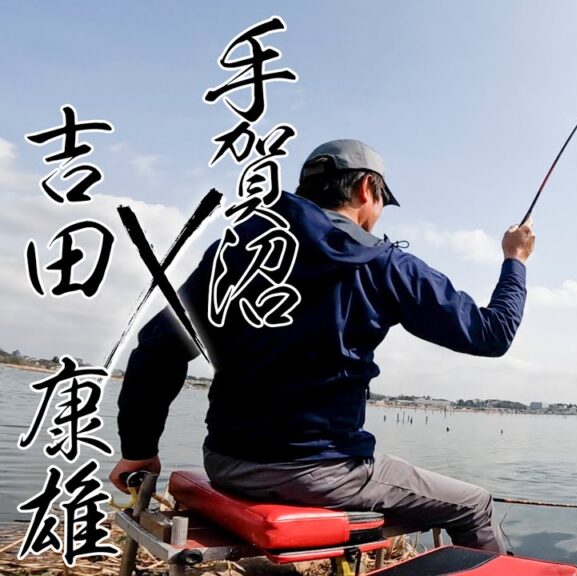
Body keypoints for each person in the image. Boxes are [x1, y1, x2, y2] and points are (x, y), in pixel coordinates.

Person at [108, 139, 535, 553]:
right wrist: (514, 260)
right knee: (473, 504)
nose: (379, 215)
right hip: (321, 473)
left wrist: (138, 451)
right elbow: (491, 333)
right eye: (382, 200)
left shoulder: (236, 251)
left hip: (226, 462)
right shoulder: (385, 264)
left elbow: (157, 347)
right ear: (367, 189)